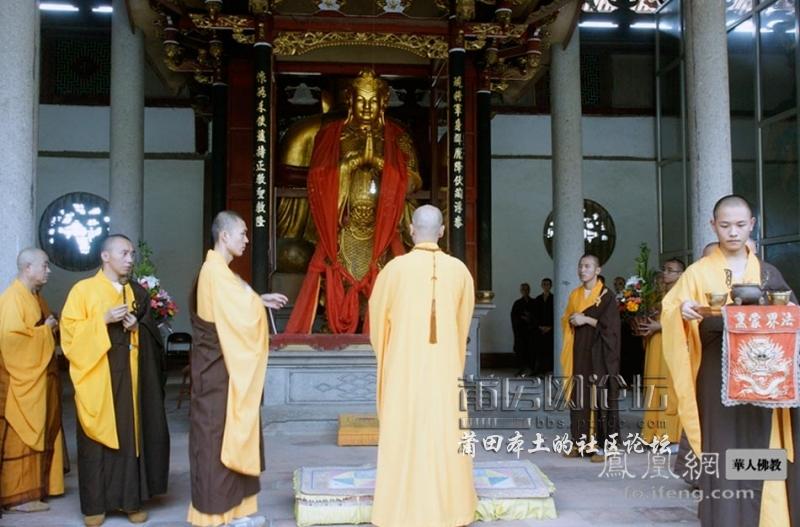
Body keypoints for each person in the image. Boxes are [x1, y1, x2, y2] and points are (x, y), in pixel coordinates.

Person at [662, 195, 799, 526]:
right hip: (717, 375)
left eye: (740, 225)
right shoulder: (697, 273)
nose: (733, 232)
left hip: (763, 377)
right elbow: (670, 310)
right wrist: (681, 312)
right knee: (722, 452)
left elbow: (792, 316)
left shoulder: (767, 273)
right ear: (713, 226)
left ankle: (769, 517)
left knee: (762, 450)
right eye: (725, 225)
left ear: (752, 225)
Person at [368, 205, 477, 527]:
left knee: (404, 432)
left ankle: (398, 510)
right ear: (442, 232)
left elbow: (376, 324)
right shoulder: (460, 271)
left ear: (411, 230)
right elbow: (462, 324)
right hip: (444, 370)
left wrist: (392, 354)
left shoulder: (394, 270)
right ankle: (453, 509)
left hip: (403, 370)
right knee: (446, 433)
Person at [187, 211, 288, 527]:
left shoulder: (222, 273)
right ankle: (213, 517)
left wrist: (259, 299)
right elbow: (238, 314)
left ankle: (237, 511)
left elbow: (236, 306)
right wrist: (257, 303)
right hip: (217, 370)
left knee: (232, 436)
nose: (247, 239)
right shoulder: (214, 271)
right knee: (216, 439)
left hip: (226, 368)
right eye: (243, 233)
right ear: (224, 236)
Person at [61, 235, 169, 526]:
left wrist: (137, 327)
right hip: (98, 374)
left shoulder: (136, 292)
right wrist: (102, 320)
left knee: (129, 435)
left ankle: (130, 502)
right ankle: (95, 505)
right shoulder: (82, 291)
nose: (130, 259)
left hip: (131, 374)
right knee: (96, 439)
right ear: (105, 257)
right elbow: (68, 335)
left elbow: (151, 331)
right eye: (124, 253)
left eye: (133, 254)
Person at [0, 248, 64, 513]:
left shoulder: (33, 296)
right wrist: (45, 331)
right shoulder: (12, 298)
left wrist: (50, 327)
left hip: (39, 376)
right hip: (20, 380)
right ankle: (18, 496)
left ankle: (39, 486)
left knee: (41, 426)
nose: (48, 271)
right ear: (28, 268)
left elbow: (45, 323)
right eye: (45, 266)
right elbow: (12, 340)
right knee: (21, 430)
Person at [560, 254, 621, 461]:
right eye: (580, 266)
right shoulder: (575, 294)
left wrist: (586, 318)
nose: (582, 270)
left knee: (599, 396)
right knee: (579, 396)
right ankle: (579, 442)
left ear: (598, 270)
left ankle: (601, 447)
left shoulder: (606, 296)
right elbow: (566, 319)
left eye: (587, 266)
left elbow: (611, 329)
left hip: (599, 354)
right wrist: (571, 320)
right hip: (580, 352)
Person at [636, 258, 685, 446]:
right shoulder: (658, 293)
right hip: (655, 343)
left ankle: (670, 435)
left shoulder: (684, 293)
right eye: (664, 269)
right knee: (653, 386)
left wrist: (660, 325)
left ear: (681, 274)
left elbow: (685, 320)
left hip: (672, 344)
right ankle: (652, 432)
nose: (665, 273)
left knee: (668, 388)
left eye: (670, 270)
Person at [511, 283, 535, 376]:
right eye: (523, 289)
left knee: (532, 350)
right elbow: (513, 317)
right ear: (521, 291)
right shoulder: (517, 303)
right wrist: (522, 319)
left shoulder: (534, 302)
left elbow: (537, 315)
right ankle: (521, 369)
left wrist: (530, 319)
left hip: (531, 331)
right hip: (520, 332)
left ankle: (531, 369)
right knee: (520, 350)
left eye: (527, 289)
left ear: (529, 290)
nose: (525, 291)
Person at [532, 278, 554, 375]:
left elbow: (556, 314)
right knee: (539, 350)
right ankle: (539, 370)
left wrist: (551, 327)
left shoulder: (554, 299)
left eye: (548, 284)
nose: (546, 286)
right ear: (542, 286)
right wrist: (539, 327)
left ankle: (549, 369)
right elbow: (534, 315)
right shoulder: (537, 299)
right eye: (544, 284)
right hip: (539, 329)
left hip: (551, 329)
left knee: (549, 350)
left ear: (550, 286)